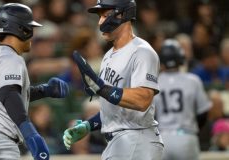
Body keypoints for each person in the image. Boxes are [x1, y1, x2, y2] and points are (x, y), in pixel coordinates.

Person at [0, 3, 69, 160]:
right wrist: (30, 134)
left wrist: (44, 90)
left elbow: (5, 93)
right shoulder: (10, 57)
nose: (32, 33)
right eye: (30, 28)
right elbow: (9, 94)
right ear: (20, 29)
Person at [63, 0, 164, 160]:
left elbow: (143, 99)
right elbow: (112, 106)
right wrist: (88, 125)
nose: (100, 21)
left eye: (105, 15)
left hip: (136, 139)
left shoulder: (142, 52)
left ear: (122, 14)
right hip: (119, 142)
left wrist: (102, 89)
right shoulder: (108, 56)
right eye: (99, 16)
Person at [154, 39, 212, 160]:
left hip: (162, 138)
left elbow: (151, 116)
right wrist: (193, 128)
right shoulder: (192, 80)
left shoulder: (154, 83)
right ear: (181, 58)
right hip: (187, 136)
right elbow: (203, 113)